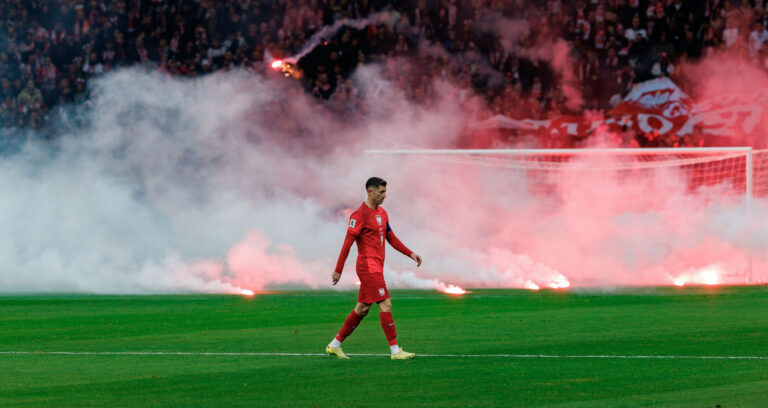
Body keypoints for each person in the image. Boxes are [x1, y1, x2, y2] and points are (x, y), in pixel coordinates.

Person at [326, 177, 422, 360]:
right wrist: (338, 269)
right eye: (381, 192)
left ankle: (334, 345)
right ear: (370, 192)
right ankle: (395, 351)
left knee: (362, 309)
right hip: (367, 267)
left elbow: (391, 237)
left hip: (376, 267)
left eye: (385, 192)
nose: (385, 195)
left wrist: (410, 253)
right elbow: (347, 244)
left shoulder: (382, 213)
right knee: (386, 303)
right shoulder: (359, 215)